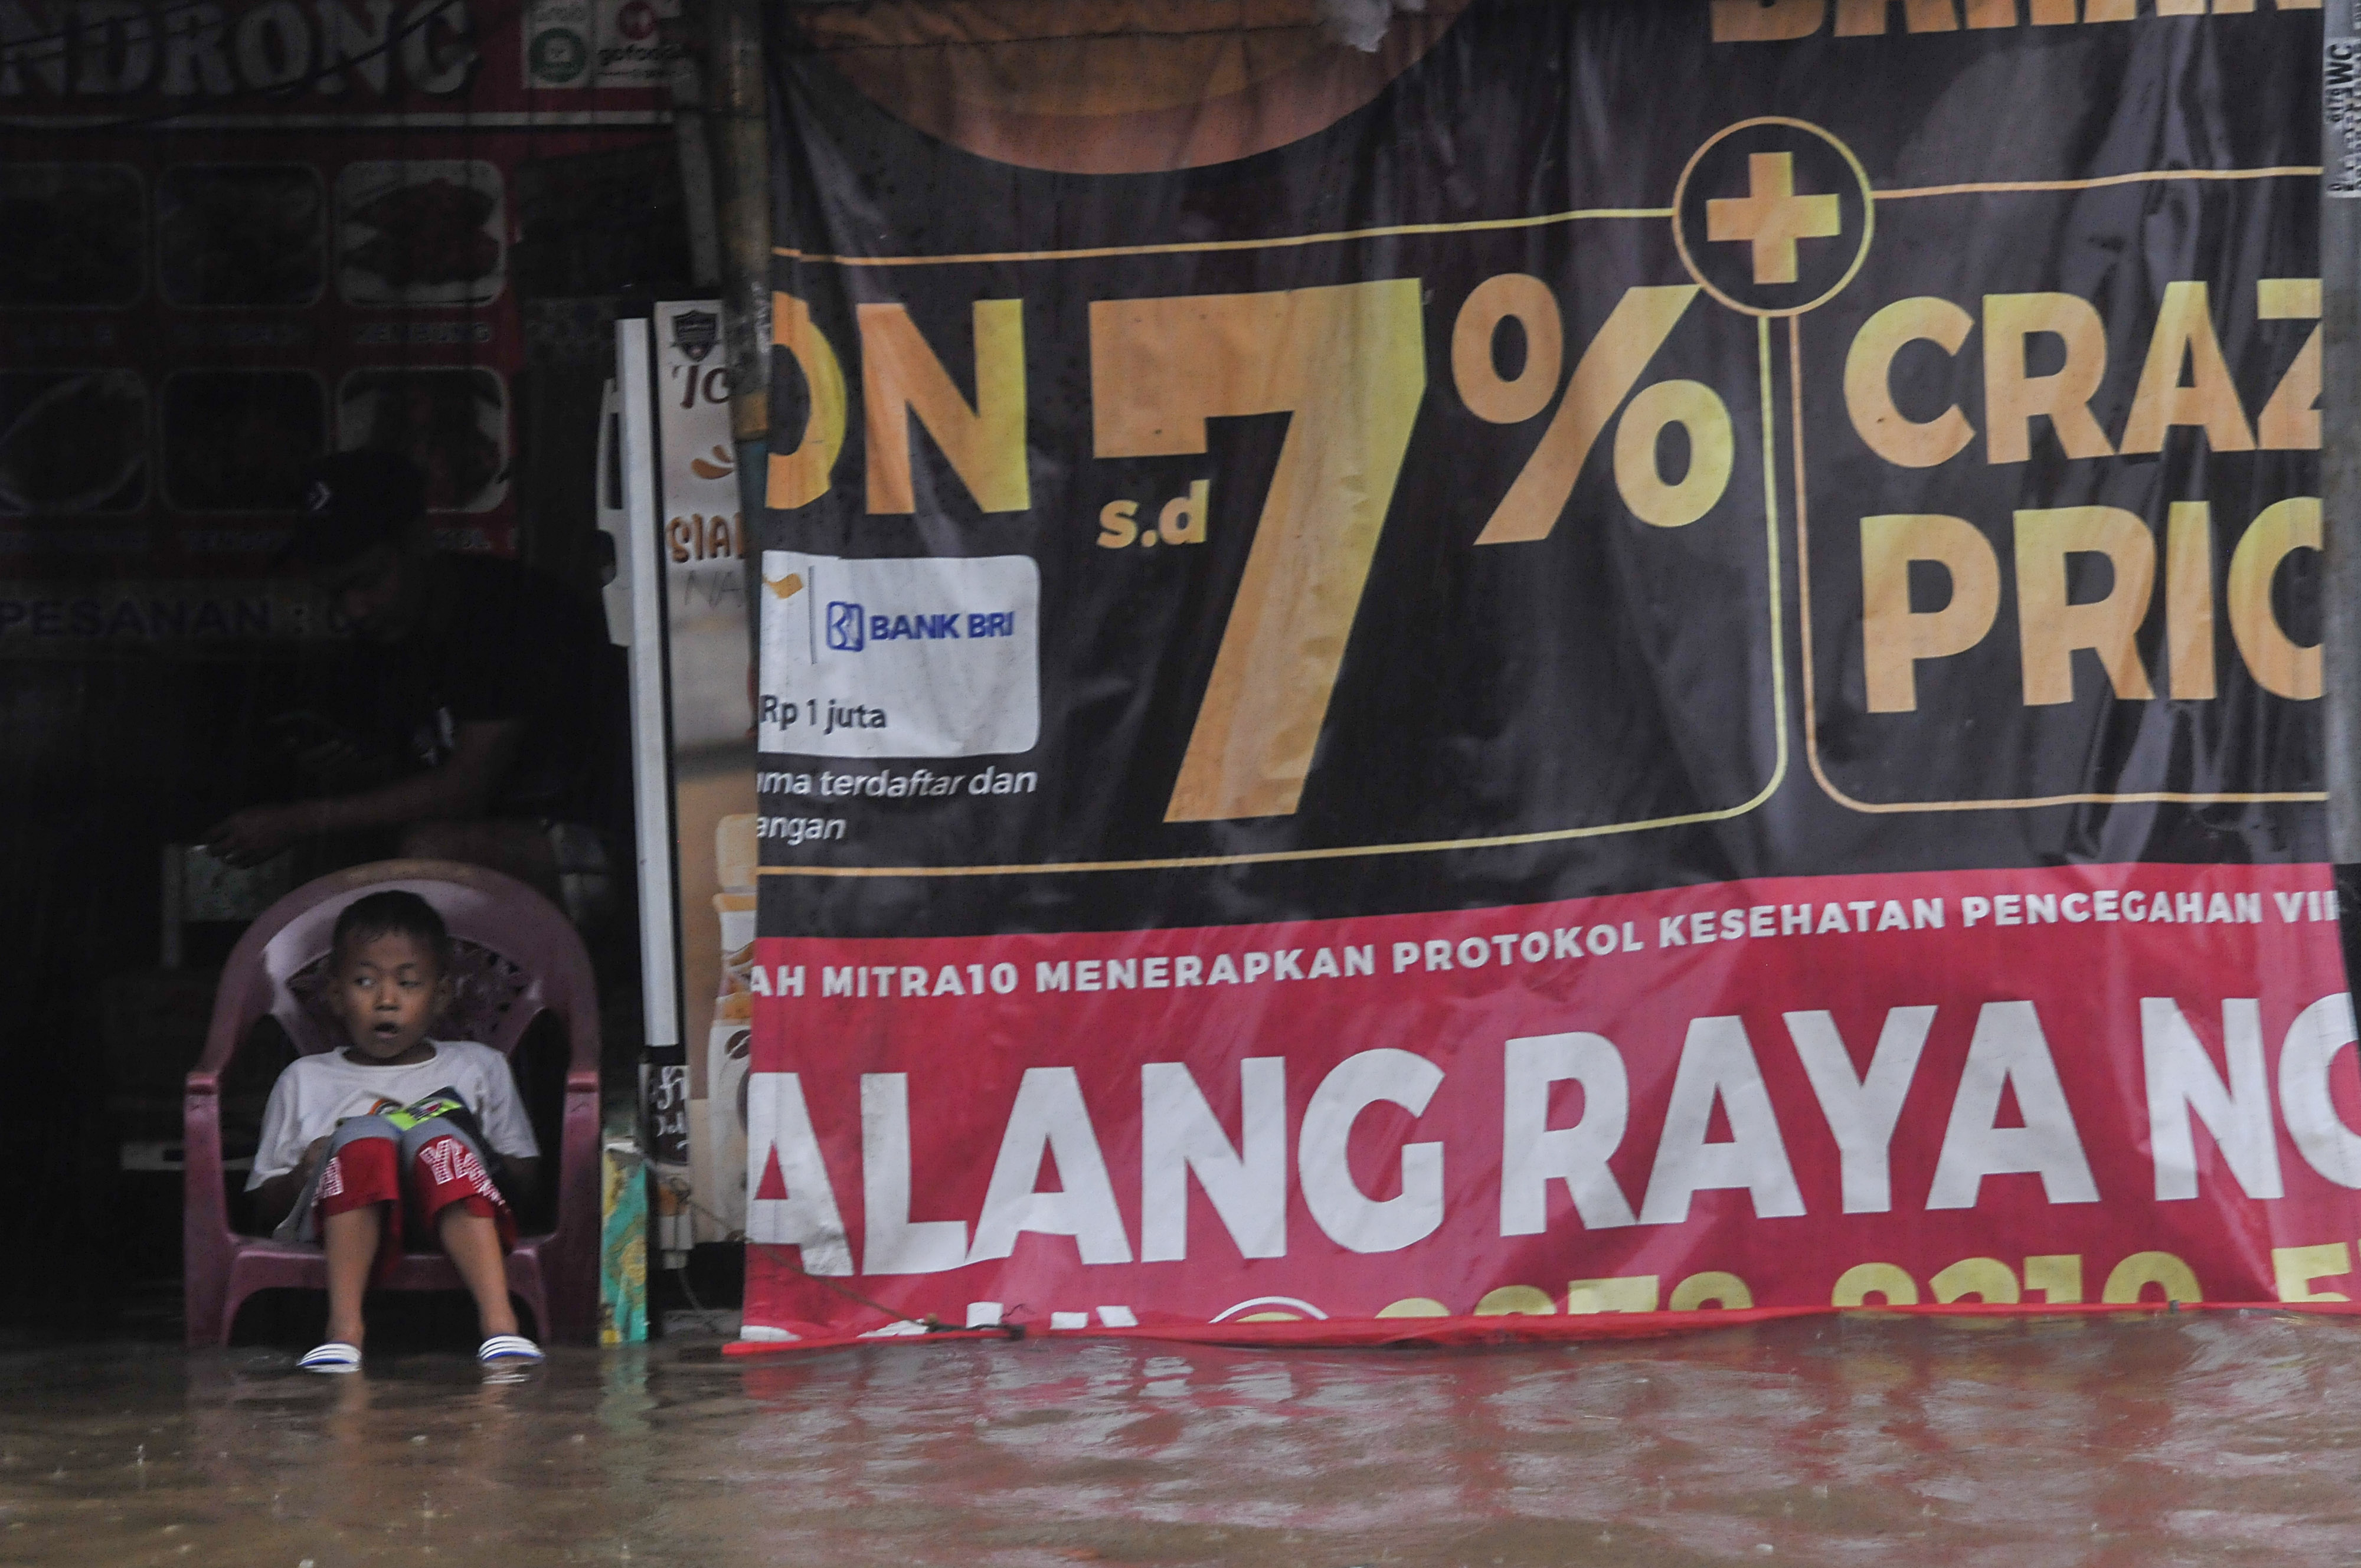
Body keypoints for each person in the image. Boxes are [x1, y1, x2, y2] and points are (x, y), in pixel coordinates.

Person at [202, 450, 627, 914]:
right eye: (335, 593)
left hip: (609, 852)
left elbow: (464, 788)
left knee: (431, 851)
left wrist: (295, 820)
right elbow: (403, 771)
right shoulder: (389, 636)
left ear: (419, 541)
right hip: (502, 843)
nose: (353, 609)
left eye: (367, 582)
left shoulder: (507, 613)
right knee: (339, 857)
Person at [248, 889, 544, 1371]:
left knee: (436, 1139)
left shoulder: (479, 1067)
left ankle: (500, 1325)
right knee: (364, 1137)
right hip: (341, 1221)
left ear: (441, 995)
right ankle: (344, 1330)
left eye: (408, 984)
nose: (387, 1001)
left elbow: (527, 1182)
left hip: (452, 1218)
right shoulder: (306, 1078)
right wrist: (307, 1170)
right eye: (365, 982)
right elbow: (265, 1203)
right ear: (337, 994)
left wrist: (470, 1150)